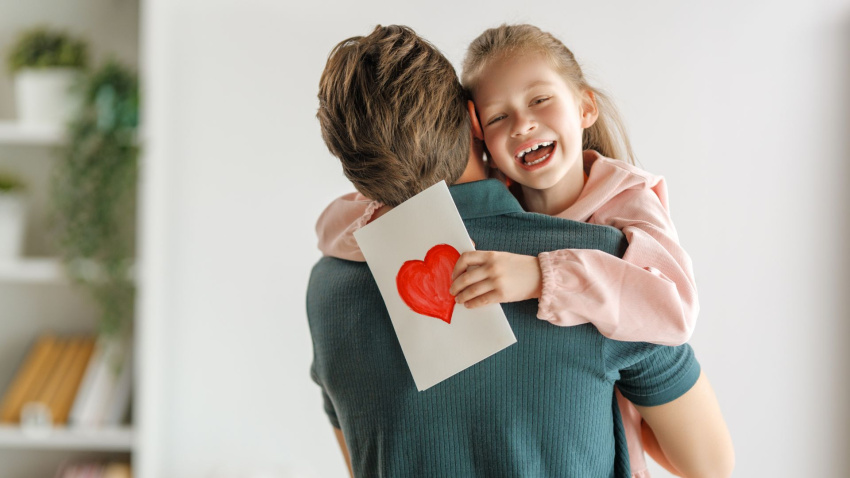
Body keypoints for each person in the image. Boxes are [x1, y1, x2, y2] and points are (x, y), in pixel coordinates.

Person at [308, 24, 733, 477]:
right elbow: (710, 466)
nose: (523, 125)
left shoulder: (328, 286)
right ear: (474, 122)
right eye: (499, 116)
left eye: (539, 100)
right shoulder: (608, 266)